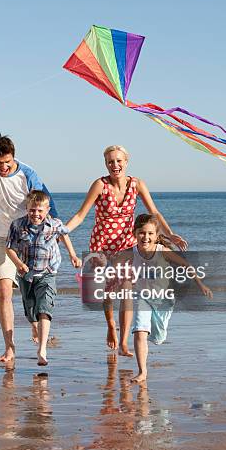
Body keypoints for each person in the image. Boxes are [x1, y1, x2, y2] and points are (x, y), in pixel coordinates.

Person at [0, 104, 78, 362]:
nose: (3, 167)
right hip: (2, 239)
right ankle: (10, 347)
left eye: (7, 162)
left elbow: (47, 206)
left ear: (14, 156)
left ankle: (35, 325)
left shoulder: (28, 174)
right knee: (3, 291)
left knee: (31, 294)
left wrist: (58, 238)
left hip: (29, 241)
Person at [66, 145, 188, 357]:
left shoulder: (137, 184)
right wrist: (62, 230)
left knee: (126, 287)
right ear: (106, 164)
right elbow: (80, 214)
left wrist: (170, 235)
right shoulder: (99, 185)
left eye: (119, 161)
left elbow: (154, 212)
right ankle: (111, 326)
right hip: (102, 244)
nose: (115, 165)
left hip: (126, 245)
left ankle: (123, 341)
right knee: (107, 292)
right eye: (111, 161)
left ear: (126, 162)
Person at [128, 214, 213, 383]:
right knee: (139, 331)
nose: (146, 237)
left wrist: (201, 285)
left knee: (158, 338)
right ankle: (142, 372)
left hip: (163, 300)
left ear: (157, 236)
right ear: (135, 233)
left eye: (150, 233)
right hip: (141, 297)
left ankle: (153, 335)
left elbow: (186, 266)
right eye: (142, 233)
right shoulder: (131, 252)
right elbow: (114, 266)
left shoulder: (162, 251)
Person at [6, 190, 80, 366]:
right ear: (27, 208)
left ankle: (42, 349)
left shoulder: (54, 224)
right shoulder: (17, 225)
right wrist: (18, 263)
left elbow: (65, 234)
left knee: (44, 308)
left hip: (48, 273)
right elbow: (9, 247)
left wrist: (73, 255)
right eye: (32, 210)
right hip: (26, 274)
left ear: (47, 209)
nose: (36, 214)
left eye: (40, 210)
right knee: (30, 310)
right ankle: (34, 326)